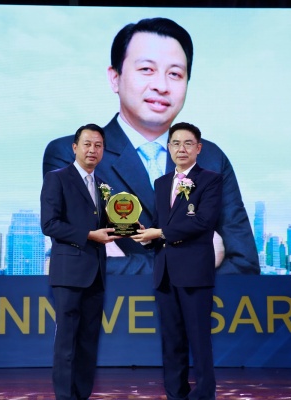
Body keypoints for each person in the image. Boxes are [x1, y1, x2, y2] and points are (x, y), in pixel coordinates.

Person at [43, 17, 259, 275]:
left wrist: (123, 264)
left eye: (175, 74)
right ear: (115, 78)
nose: (161, 86)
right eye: (147, 69)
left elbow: (244, 265)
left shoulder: (210, 158)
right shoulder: (71, 153)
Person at [132, 122, 221, 400]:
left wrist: (160, 232)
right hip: (165, 272)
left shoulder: (210, 180)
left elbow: (204, 222)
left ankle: (204, 394)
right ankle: (175, 394)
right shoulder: (161, 183)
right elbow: (160, 223)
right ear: (168, 148)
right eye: (175, 143)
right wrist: (147, 236)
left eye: (188, 143)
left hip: (194, 272)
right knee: (171, 340)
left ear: (198, 148)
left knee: (199, 340)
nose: (181, 148)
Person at [40, 123, 120, 400]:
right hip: (69, 274)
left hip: (96, 274)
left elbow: (108, 225)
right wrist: (88, 235)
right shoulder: (57, 178)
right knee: (66, 342)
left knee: (88, 342)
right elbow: (49, 224)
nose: (92, 150)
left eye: (98, 145)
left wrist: (132, 229)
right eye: (87, 144)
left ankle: (82, 395)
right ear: (75, 147)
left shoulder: (103, 185)